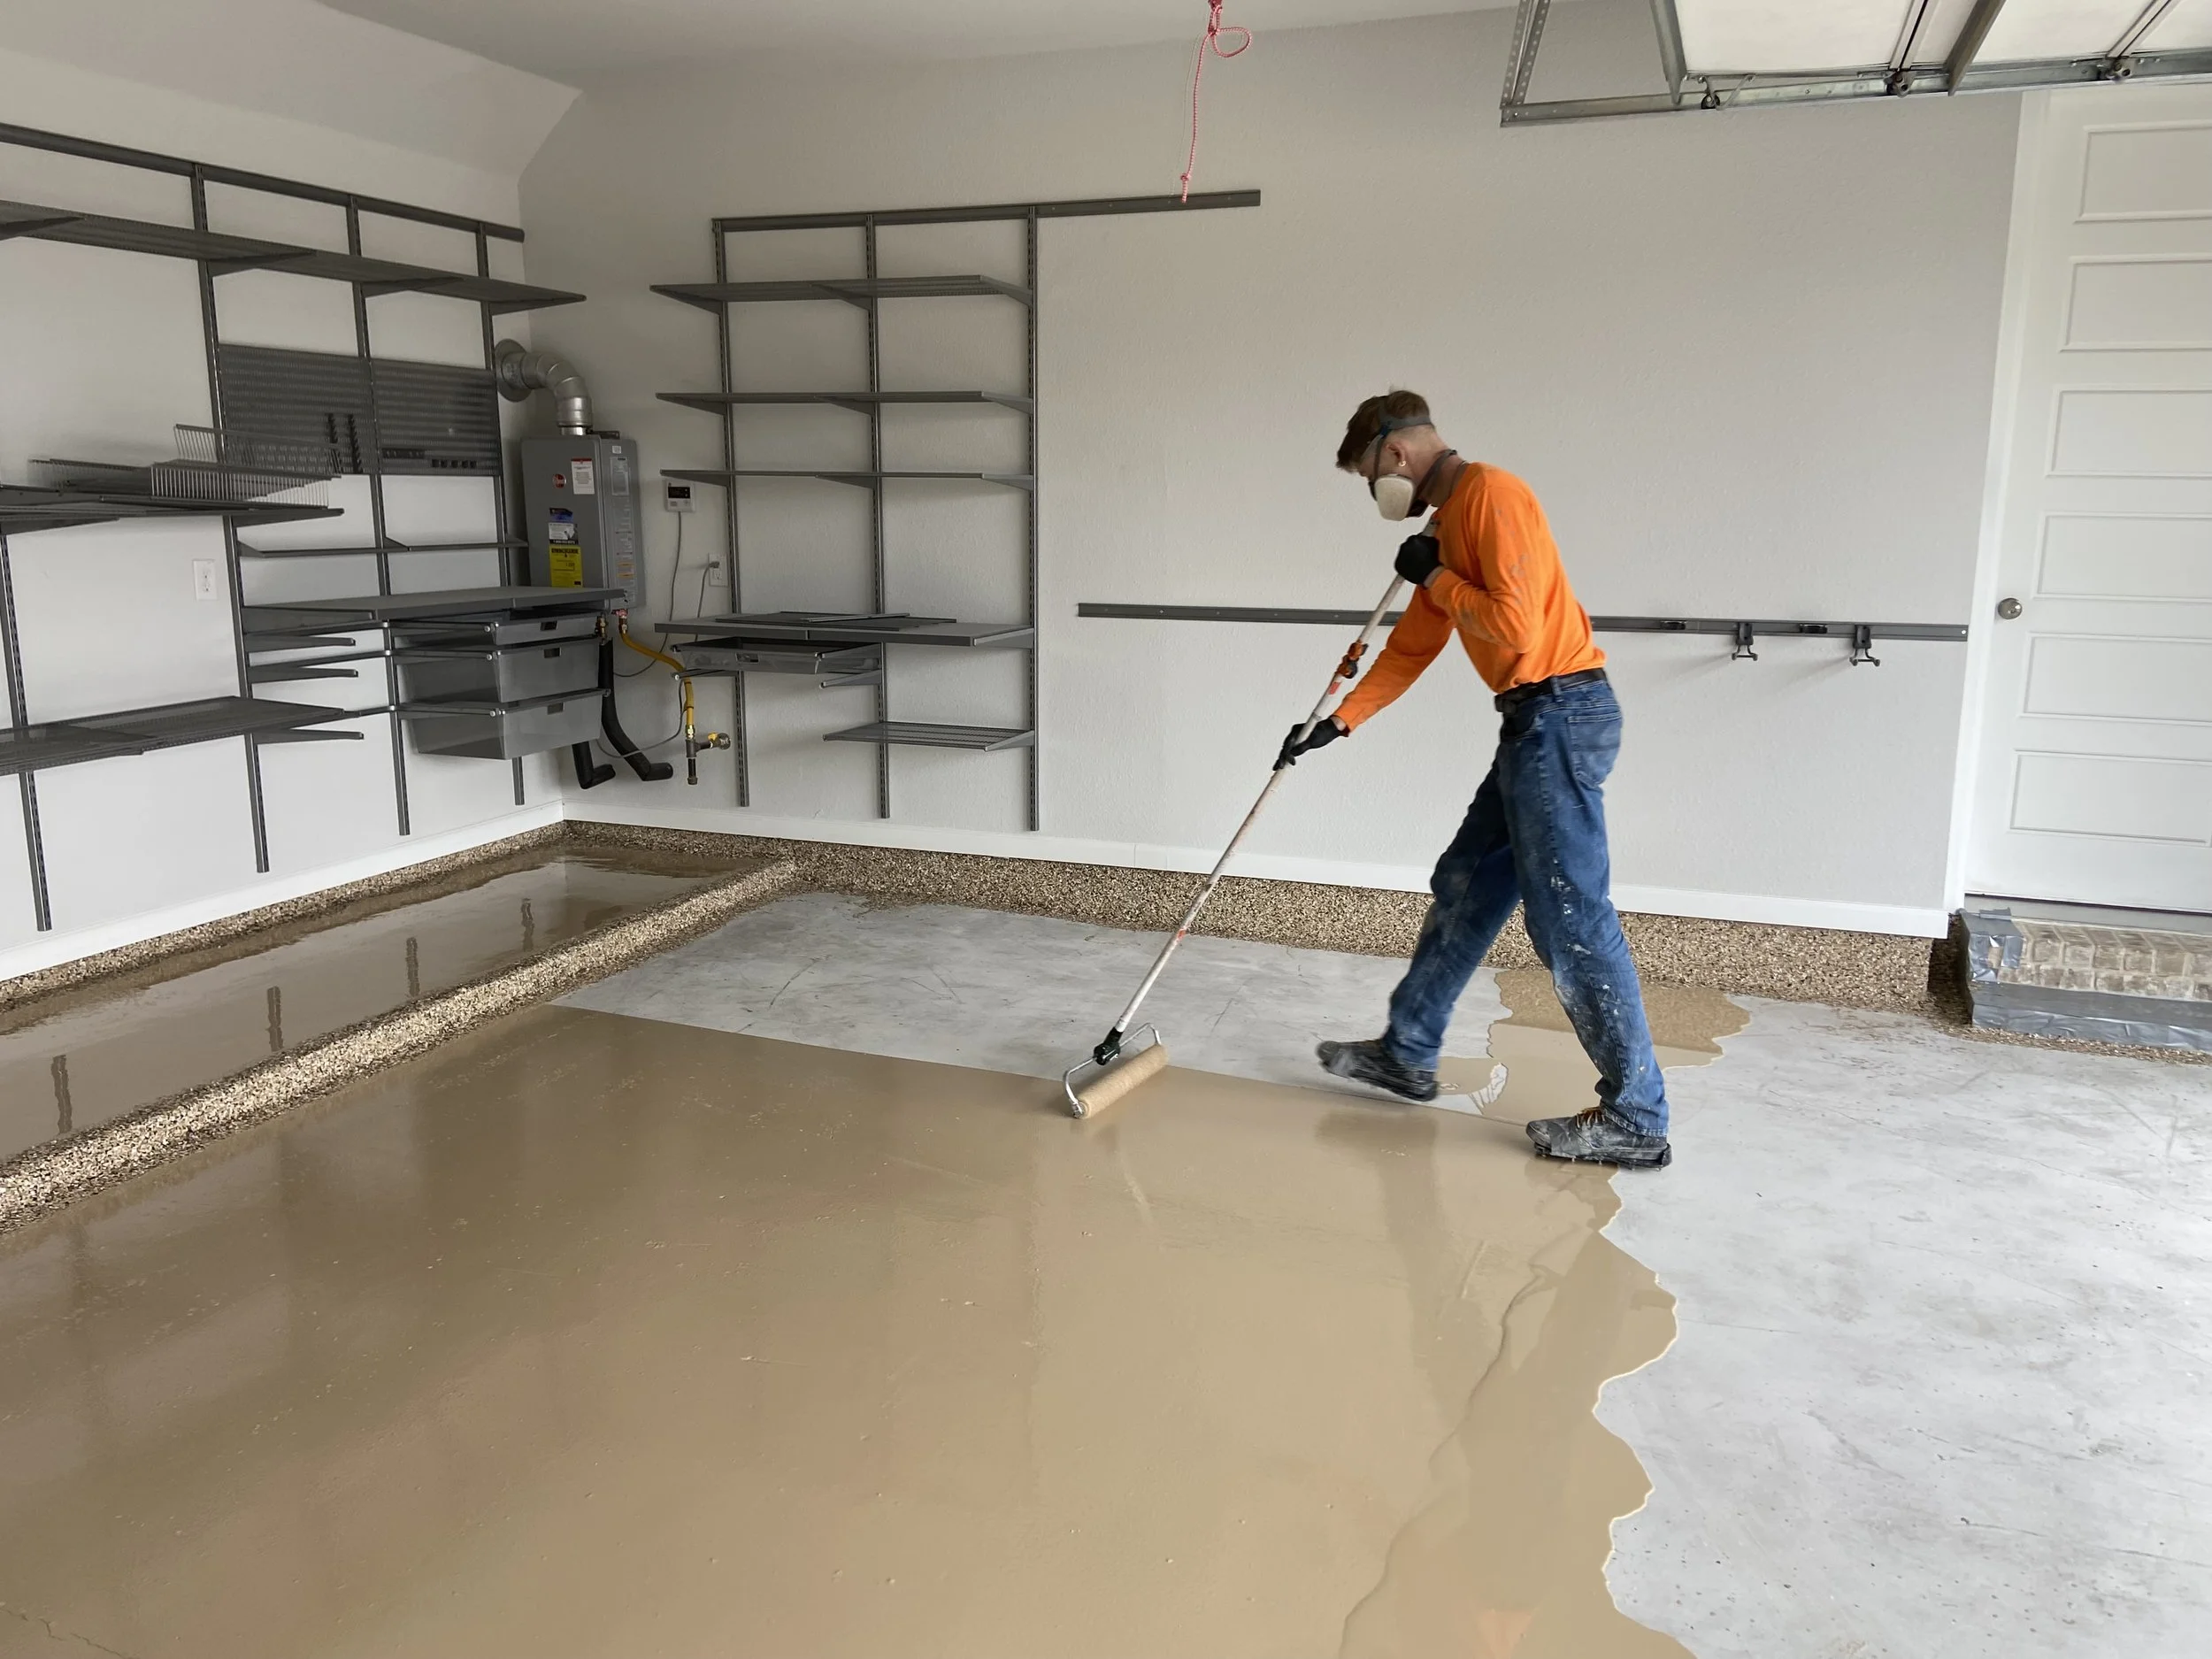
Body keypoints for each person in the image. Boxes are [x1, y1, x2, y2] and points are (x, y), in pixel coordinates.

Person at [1279, 390, 1672, 1169]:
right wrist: (1340, 719)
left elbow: (1516, 624)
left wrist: (1440, 579)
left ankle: (1637, 1114)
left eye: (1368, 476)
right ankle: (1408, 1050)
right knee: (1465, 881)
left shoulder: (1491, 494)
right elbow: (1412, 648)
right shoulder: (1444, 525)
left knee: (1570, 918)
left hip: (1562, 712)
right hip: (1532, 722)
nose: (1374, 493)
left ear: (1396, 456)